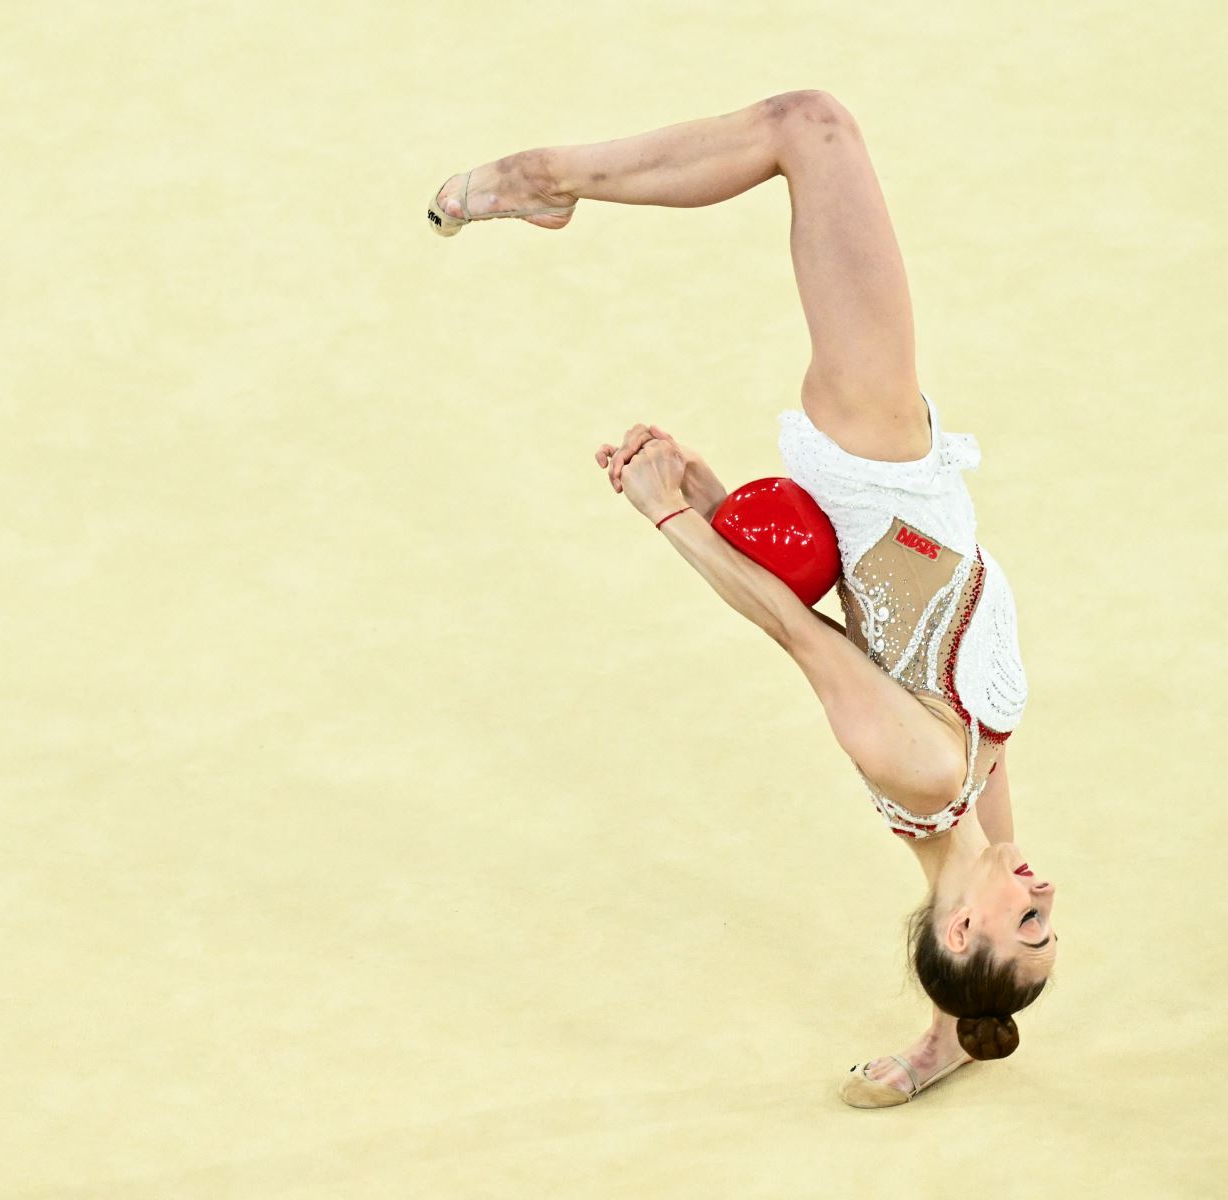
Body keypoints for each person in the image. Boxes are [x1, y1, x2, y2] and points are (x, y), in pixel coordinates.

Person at [429, 90, 1058, 1107]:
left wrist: (668, 513)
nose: (1045, 895)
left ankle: (542, 183)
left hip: (878, 458)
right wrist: (951, 1028)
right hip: (886, 487)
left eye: (1028, 922)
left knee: (810, 131)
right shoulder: (958, 813)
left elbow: (797, 637)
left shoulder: (924, 763)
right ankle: (945, 1027)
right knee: (808, 135)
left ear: (960, 929)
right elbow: (843, 640)